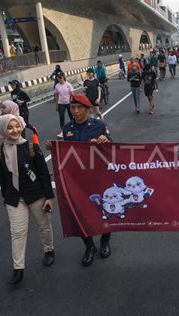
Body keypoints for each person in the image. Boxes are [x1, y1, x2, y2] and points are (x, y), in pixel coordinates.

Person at [47, 93, 112, 266]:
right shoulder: (68, 128)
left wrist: (104, 140)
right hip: (78, 180)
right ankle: (89, 246)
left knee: (105, 211)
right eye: (72, 108)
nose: (75, 111)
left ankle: (105, 241)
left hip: (99, 177)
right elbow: (60, 148)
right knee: (81, 214)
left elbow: (113, 148)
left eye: (79, 108)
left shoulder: (99, 125)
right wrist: (52, 147)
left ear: (87, 109)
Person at [0, 114, 55, 284]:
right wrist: (5, 197)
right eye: (9, 127)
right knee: (17, 232)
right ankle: (18, 268)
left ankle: (49, 250)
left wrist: (50, 197)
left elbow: (43, 173)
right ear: (2, 130)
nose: (14, 130)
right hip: (14, 198)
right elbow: (2, 177)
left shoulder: (31, 148)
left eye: (17, 126)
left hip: (36, 194)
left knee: (43, 226)